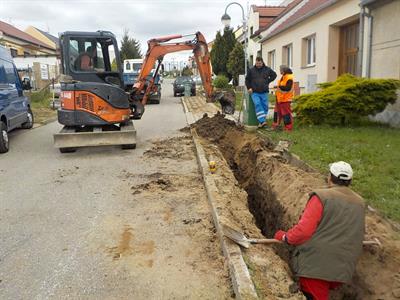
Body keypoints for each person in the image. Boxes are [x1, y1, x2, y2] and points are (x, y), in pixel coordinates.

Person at [274, 161, 365, 300]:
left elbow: (303, 231)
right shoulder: (360, 203)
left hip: (316, 268)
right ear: (350, 181)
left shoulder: (321, 197)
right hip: (344, 267)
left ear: (329, 177)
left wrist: (285, 237)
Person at [245, 57, 277, 128]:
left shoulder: (267, 69)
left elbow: (274, 75)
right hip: (255, 92)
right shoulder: (251, 70)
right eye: (257, 63)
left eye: (259, 63)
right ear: (255, 62)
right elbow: (247, 80)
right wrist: (249, 88)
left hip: (264, 91)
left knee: (265, 107)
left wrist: (268, 81)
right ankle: (263, 121)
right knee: (257, 104)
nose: (258, 65)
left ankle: (261, 122)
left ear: (262, 62)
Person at [273, 65, 294, 131]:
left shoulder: (289, 77)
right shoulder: (283, 77)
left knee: (286, 114)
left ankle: (288, 128)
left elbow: (288, 88)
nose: (279, 71)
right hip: (279, 99)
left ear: (283, 70)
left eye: (280, 70)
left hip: (285, 99)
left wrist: (279, 87)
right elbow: (282, 87)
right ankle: (276, 125)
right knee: (277, 112)